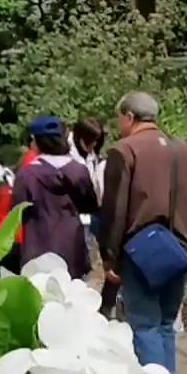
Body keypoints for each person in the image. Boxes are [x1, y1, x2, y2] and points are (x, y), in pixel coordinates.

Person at [99, 92, 187, 374]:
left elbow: (115, 208)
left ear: (129, 117)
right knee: (166, 324)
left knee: (144, 323)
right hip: (181, 247)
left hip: (141, 250)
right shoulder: (185, 150)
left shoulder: (124, 151)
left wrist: (110, 257)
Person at [12, 117, 99, 276]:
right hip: (71, 245)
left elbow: (17, 211)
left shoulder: (26, 174)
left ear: (35, 141)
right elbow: (89, 206)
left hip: (37, 246)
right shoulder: (78, 170)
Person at [72, 118, 116, 313]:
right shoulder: (71, 156)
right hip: (79, 215)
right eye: (90, 142)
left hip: (95, 213)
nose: (92, 147)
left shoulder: (92, 157)